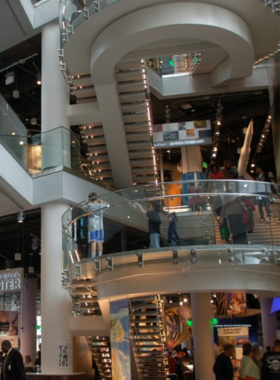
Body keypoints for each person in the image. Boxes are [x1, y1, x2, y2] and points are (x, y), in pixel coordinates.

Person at [82, 192, 109, 257]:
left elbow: (83, 208)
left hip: (92, 226)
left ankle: (93, 256)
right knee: (99, 242)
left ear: (90, 199)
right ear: (96, 198)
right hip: (100, 226)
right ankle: (100, 256)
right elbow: (108, 205)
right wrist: (100, 200)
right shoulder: (100, 205)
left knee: (93, 242)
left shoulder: (89, 205)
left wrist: (87, 202)